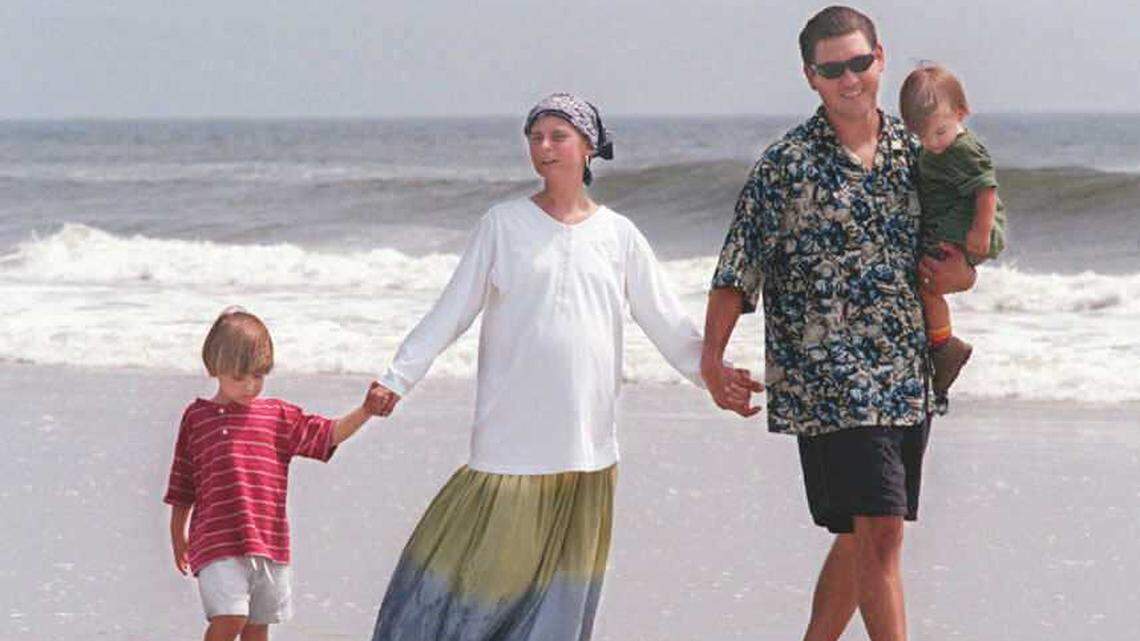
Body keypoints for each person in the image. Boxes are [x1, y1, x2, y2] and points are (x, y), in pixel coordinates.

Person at [365, 92, 760, 641]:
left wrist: (714, 377)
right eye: (535, 137)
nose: (544, 147)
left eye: (558, 135)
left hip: (587, 450)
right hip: (509, 447)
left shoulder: (619, 236)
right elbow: (450, 311)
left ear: (589, 146)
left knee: (559, 610)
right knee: (473, 590)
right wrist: (398, 377)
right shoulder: (503, 224)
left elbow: (668, 325)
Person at [700, 7, 976, 641]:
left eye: (859, 63)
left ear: (880, 59)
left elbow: (958, 262)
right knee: (879, 530)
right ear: (811, 77)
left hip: (907, 375)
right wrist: (712, 362)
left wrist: (961, 272)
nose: (850, 78)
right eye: (833, 69)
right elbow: (736, 270)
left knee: (866, 535)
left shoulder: (922, 156)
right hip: (826, 379)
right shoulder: (785, 165)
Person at [164, 307, 386, 641]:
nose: (251, 386)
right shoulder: (197, 418)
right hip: (215, 541)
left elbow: (327, 434)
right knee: (230, 617)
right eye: (240, 377)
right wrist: (177, 533)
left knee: (257, 629)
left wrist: (366, 411)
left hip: (268, 541)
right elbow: (183, 482)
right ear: (215, 368)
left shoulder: (278, 417)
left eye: (258, 375)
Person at [899, 63, 1007, 400]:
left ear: (962, 112)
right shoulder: (936, 145)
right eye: (921, 136)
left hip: (968, 231)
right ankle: (943, 344)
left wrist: (979, 231)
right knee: (927, 286)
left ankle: (944, 346)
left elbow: (986, 190)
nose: (931, 143)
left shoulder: (962, 149)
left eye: (940, 131)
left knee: (928, 283)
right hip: (950, 227)